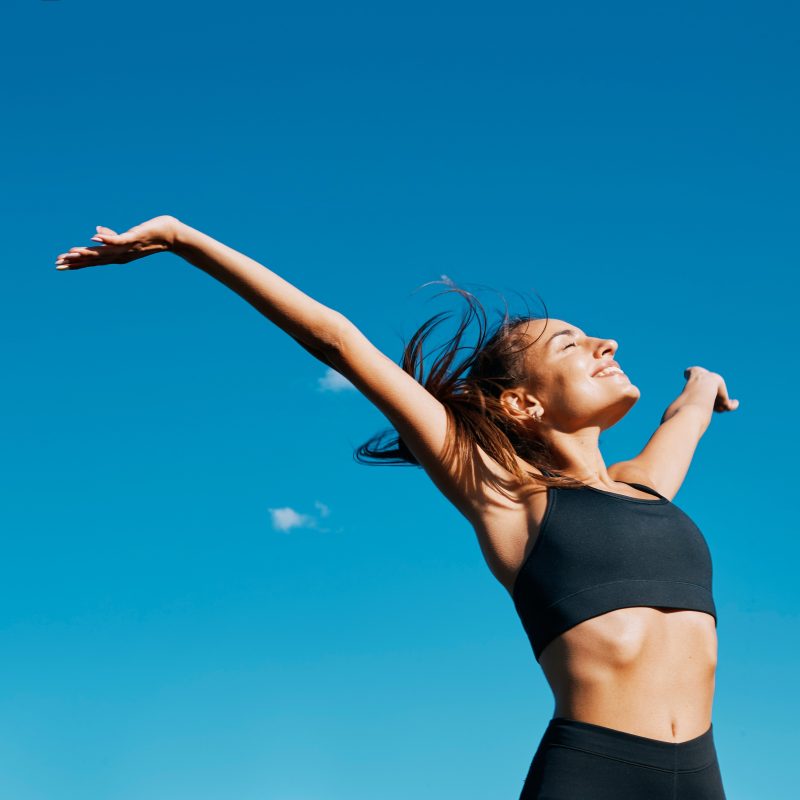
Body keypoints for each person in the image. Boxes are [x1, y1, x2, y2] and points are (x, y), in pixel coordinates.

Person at [55, 215, 737, 799]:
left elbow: (689, 411)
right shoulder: (502, 494)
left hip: (702, 772)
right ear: (522, 403)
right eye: (572, 344)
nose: (606, 343)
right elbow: (338, 341)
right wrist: (181, 238)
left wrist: (704, 384)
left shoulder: (647, 487)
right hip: (596, 770)